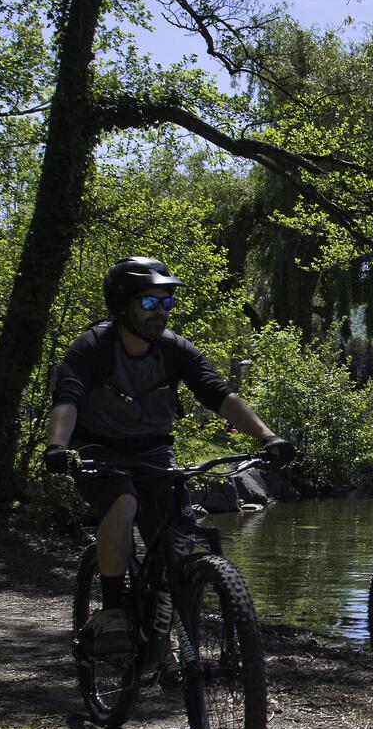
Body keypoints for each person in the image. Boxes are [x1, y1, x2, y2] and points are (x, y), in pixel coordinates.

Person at [43, 256, 294, 657]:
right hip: (98, 451)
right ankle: (111, 612)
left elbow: (219, 394)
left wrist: (267, 436)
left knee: (178, 530)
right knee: (122, 500)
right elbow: (68, 398)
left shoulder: (174, 349)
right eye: (149, 303)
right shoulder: (93, 346)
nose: (160, 312)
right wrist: (57, 446)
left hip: (153, 451)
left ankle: (167, 631)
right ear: (122, 305)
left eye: (166, 303)